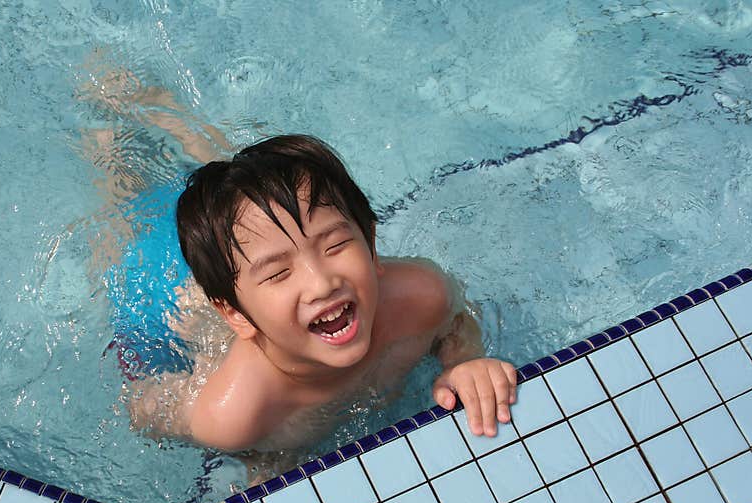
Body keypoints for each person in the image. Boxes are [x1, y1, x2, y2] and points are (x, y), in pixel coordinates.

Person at [77, 64, 518, 479]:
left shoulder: (423, 298)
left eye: (337, 244)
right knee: (127, 204)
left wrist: (465, 362)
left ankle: (175, 119)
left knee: (252, 194)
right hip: (167, 287)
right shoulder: (234, 413)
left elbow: (457, 322)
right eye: (280, 274)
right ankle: (111, 124)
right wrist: (261, 459)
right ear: (235, 315)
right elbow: (142, 409)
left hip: (245, 268)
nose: (322, 282)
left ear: (371, 242)